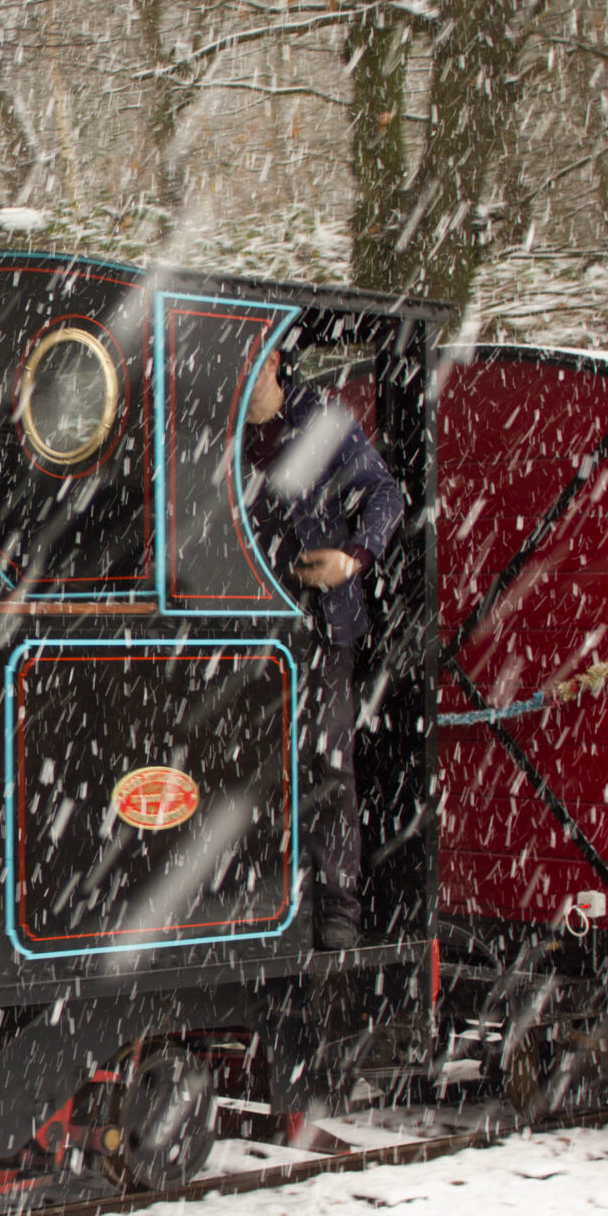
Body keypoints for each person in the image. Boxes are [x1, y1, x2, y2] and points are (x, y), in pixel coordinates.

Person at [243, 348, 403, 950]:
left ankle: (338, 906)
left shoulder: (320, 419)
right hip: (249, 627)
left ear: (275, 360)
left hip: (318, 624)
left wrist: (352, 558)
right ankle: (266, 901)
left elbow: (386, 493)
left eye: (255, 361)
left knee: (329, 763)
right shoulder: (217, 430)